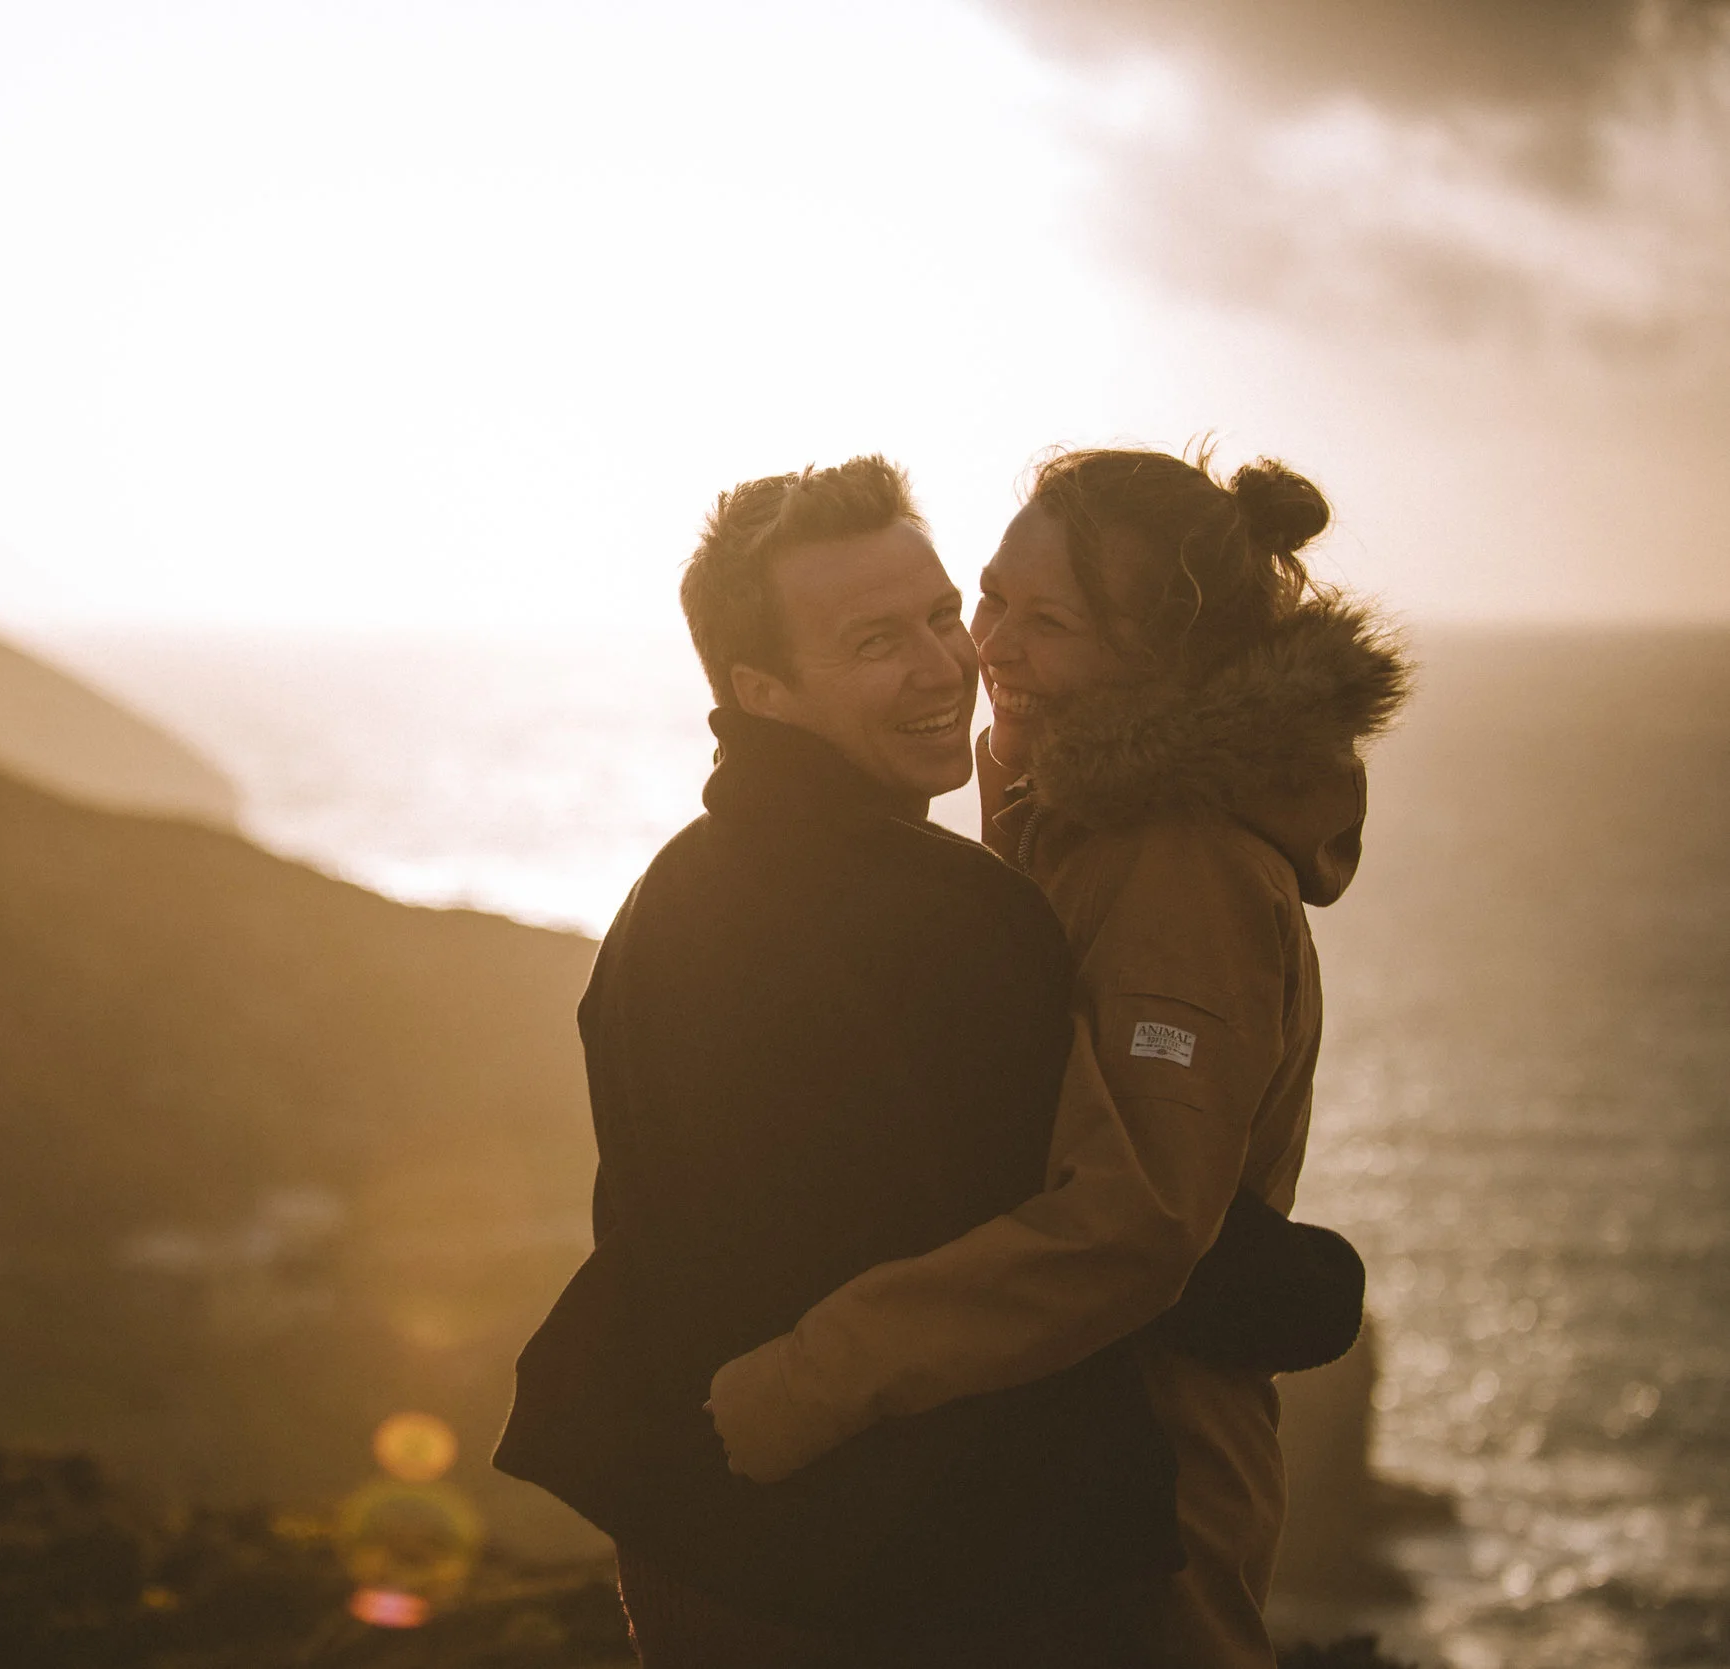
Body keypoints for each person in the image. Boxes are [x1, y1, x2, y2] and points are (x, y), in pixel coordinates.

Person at [495, 454, 1350, 1666]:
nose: (969, 653)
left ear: (1157, 658)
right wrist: (1277, 1275)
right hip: (907, 1537)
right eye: (979, 603)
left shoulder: (709, 881)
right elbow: (1007, 1187)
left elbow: (1120, 1207)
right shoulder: (939, 897)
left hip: (1064, 1480)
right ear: (763, 686)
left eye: (969, 613)